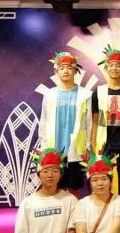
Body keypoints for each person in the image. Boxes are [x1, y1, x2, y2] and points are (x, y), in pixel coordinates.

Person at [92, 46, 120, 219]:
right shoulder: (99, 92)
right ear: (106, 68)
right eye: (111, 65)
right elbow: (95, 120)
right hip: (105, 145)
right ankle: (104, 220)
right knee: (103, 184)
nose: (114, 68)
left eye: (118, 65)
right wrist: (94, 145)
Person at [39, 52, 92, 197]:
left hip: (77, 151)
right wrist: (44, 148)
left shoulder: (85, 94)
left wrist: (87, 147)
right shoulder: (49, 95)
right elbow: (44, 122)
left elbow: (89, 123)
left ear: (75, 70)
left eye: (69, 67)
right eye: (62, 68)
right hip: (54, 151)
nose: (66, 71)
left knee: (75, 190)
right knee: (55, 189)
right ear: (56, 71)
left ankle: (75, 213)